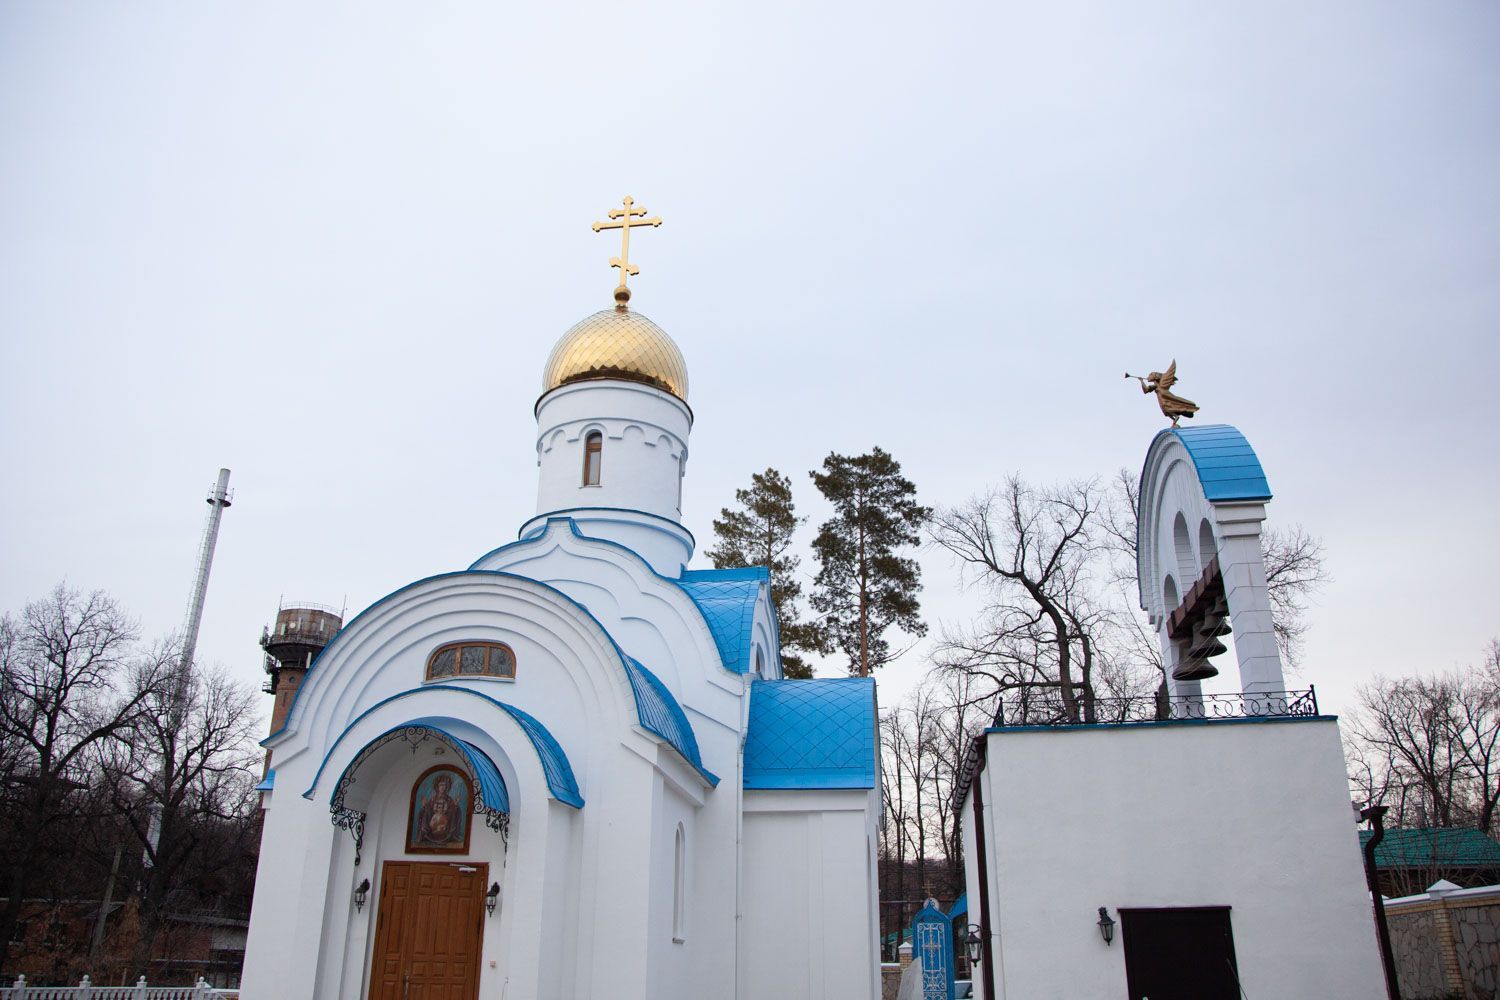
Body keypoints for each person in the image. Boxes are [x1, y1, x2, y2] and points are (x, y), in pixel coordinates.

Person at [415, 772, 464, 846]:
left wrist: (455, 805)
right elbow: (430, 811)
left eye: (444, 785)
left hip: (445, 822)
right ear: (437, 786)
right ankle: (425, 832)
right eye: (441, 785)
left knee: (455, 810)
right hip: (434, 823)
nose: (442, 787)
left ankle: (450, 834)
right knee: (424, 811)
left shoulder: (449, 799)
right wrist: (425, 806)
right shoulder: (433, 799)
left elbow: (451, 811)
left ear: (447, 787)